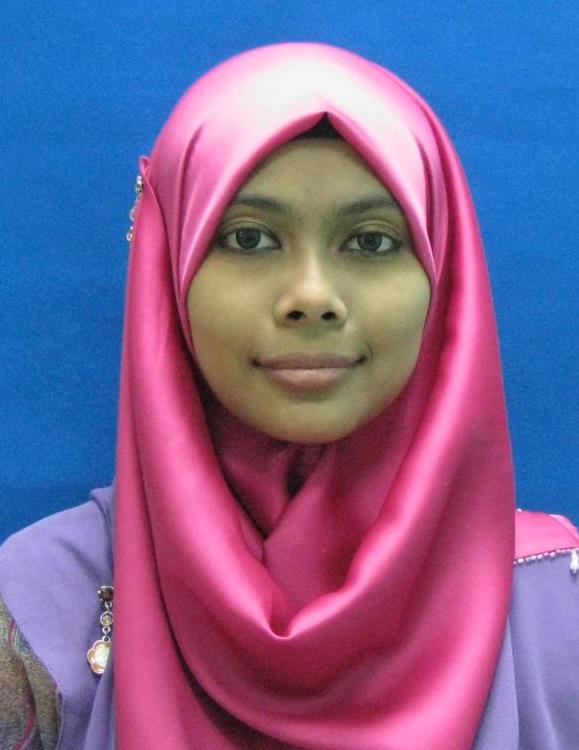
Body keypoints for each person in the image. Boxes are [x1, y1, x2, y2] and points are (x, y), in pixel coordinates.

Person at [1, 41, 578, 750]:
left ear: (444, 275)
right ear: (167, 272)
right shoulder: (38, 609)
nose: (311, 296)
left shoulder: (556, 607)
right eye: (248, 238)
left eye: (371, 242)